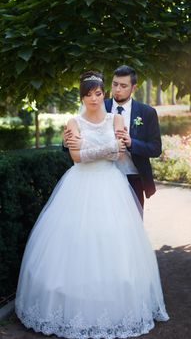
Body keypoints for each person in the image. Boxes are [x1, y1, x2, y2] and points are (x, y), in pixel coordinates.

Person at [15, 71, 169, 339]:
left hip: (128, 181)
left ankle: (121, 298)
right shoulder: (89, 113)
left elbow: (145, 148)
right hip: (84, 184)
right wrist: (74, 144)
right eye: (110, 86)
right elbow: (76, 154)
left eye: (120, 86)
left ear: (133, 87)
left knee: (125, 242)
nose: (105, 93)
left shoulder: (142, 112)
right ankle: (79, 300)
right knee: (79, 240)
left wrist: (117, 146)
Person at [64, 65, 162, 208]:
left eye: (123, 86)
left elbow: (155, 148)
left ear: (133, 88)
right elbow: (81, 132)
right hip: (100, 179)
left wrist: (131, 142)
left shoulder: (147, 112)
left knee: (131, 225)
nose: (117, 89)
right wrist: (66, 141)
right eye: (115, 84)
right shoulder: (97, 103)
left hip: (133, 178)